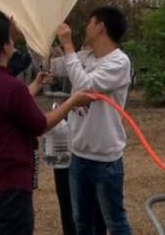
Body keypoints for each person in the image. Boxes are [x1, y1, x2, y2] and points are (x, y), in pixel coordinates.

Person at [0, 17, 95, 235]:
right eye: (10, 40)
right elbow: (40, 124)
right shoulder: (9, 86)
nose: (13, 43)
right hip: (10, 184)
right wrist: (72, 102)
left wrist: (36, 84)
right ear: (5, 47)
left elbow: (11, 104)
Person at [56, 6, 132, 235]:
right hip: (78, 155)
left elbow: (84, 86)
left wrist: (68, 46)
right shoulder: (86, 56)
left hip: (105, 159)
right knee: (82, 223)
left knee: (115, 223)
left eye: (90, 22)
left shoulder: (119, 62)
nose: (86, 27)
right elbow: (54, 66)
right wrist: (36, 37)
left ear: (100, 27)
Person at [50, 45, 108, 235]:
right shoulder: (78, 60)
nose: (85, 51)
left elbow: (86, 86)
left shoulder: (112, 63)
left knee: (99, 208)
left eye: (89, 48)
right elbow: (48, 67)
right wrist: (39, 43)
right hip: (70, 141)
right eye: (83, 48)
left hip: (97, 149)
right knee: (71, 205)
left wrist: (68, 48)